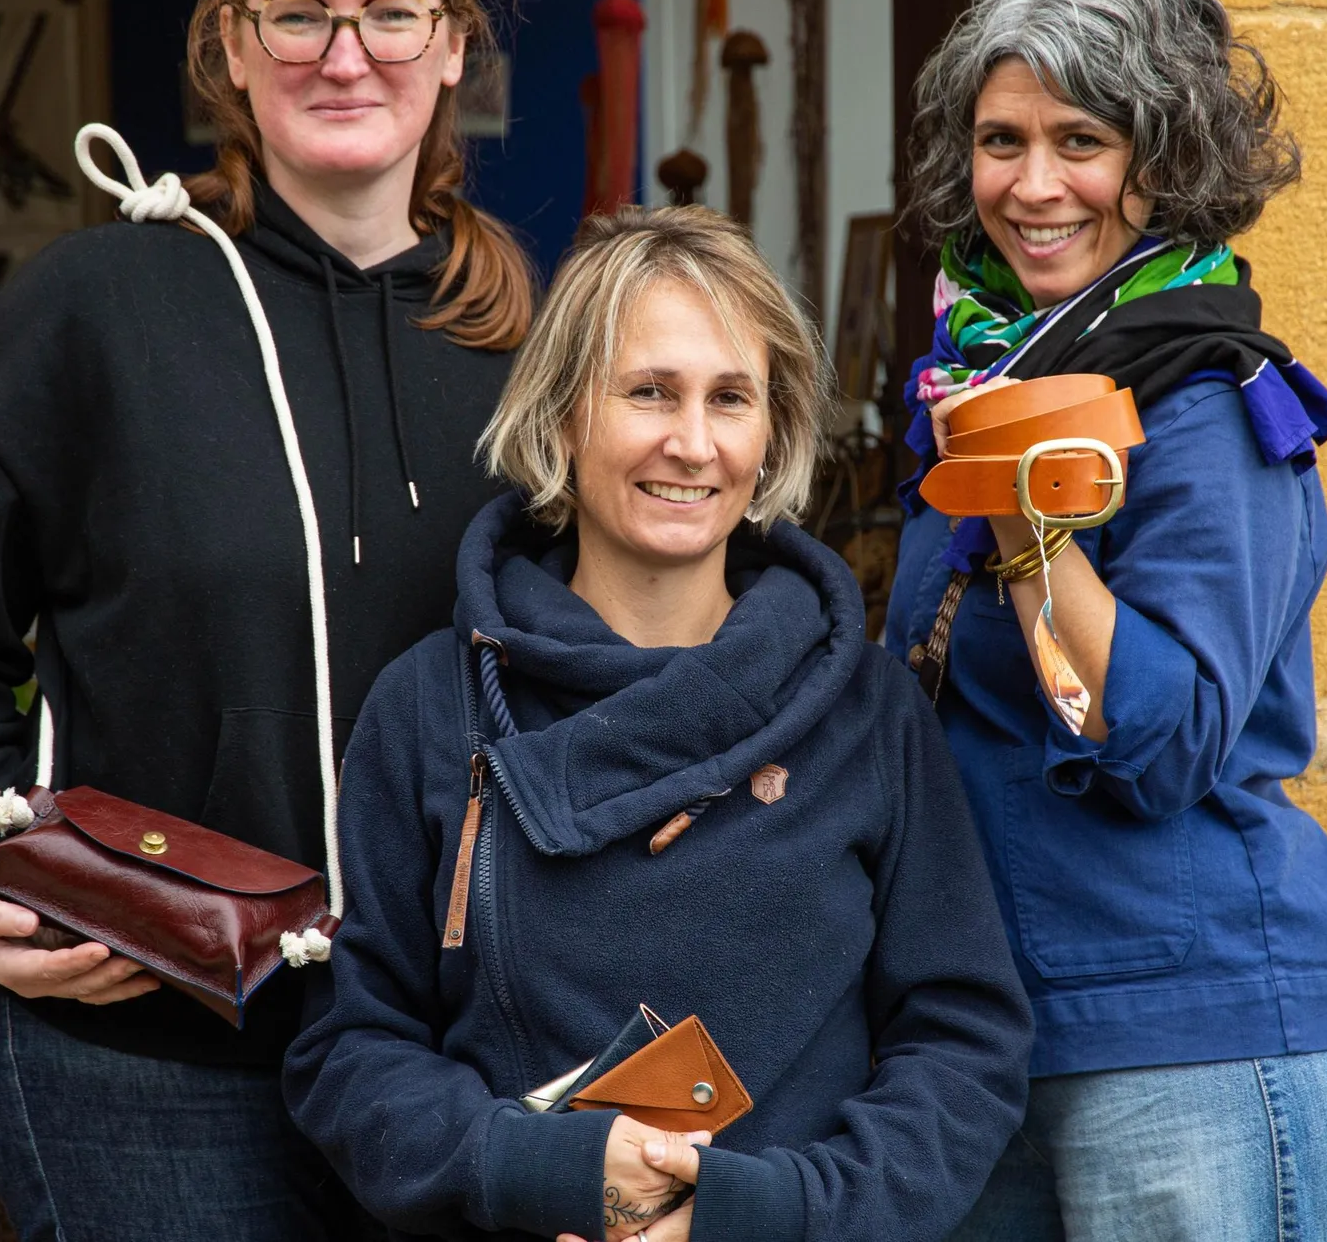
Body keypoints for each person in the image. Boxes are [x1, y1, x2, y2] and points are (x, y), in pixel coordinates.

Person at [0, 0, 533, 1237]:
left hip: (449, 1062)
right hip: (140, 1060)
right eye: (298, 15)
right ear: (229, 42)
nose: (347, 54)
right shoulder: (91, 308)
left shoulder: (527, 350)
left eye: (392, 14)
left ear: (451, 44)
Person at [283, 205, 1034, 1242]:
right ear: (560, 419)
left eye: (731, 398)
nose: (692, 443)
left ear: (772, 437)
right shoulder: (430, 705)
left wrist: (771, 1212)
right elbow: (351, 1051)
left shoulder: (868, 711)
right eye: (648, 392)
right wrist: (540, 1167)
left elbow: (964, 1051)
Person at [885, 0, 1327, 1241]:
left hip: (1195, 1032)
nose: (1036, 184)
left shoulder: (1211, 408)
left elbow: (1159, 740)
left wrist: (1023, 524)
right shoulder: (980, 381)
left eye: (1083, 142)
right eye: (1004, 141)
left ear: (1162, 162)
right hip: (995, 1033)